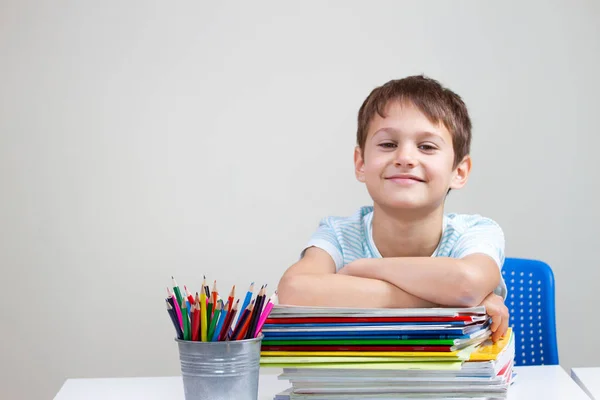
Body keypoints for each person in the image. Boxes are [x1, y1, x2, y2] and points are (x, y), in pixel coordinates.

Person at [277, 75, 509, 342]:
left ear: (459, 171)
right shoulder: (338, 233)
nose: (405, 158)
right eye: (388, 144)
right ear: (361, 163)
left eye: (427, 146)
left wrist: (362, 269)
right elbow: (294, 289)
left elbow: (467, 282)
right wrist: (451, 304)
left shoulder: (478, 231)